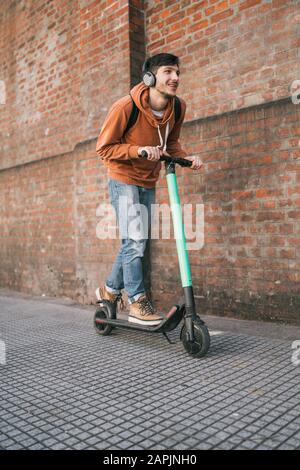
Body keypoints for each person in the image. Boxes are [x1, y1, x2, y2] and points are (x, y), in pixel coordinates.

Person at [95, 53, 203, 326]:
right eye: (168, 72)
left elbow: (172, 143)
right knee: (135, 240)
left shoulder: (177, 108)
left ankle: (108, 290)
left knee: (135, 239)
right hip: (123, 177)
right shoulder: (125, 107)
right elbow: (104, 149)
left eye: (177, 72)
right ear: (150, 77)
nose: (175, 78)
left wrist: (188, 158)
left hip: (148, 179)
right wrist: (139, 150)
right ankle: (137, 302)